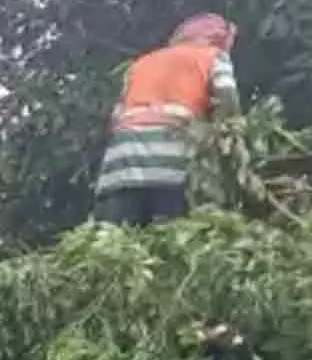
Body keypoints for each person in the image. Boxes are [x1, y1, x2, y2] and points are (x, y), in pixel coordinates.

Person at [94, 13, 241, 226]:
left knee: (114, 241)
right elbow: (228, 100)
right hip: (172, 160)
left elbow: (116, 116)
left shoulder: (141, 64)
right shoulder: (212, 56)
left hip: (122, 162)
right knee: (169, 240)